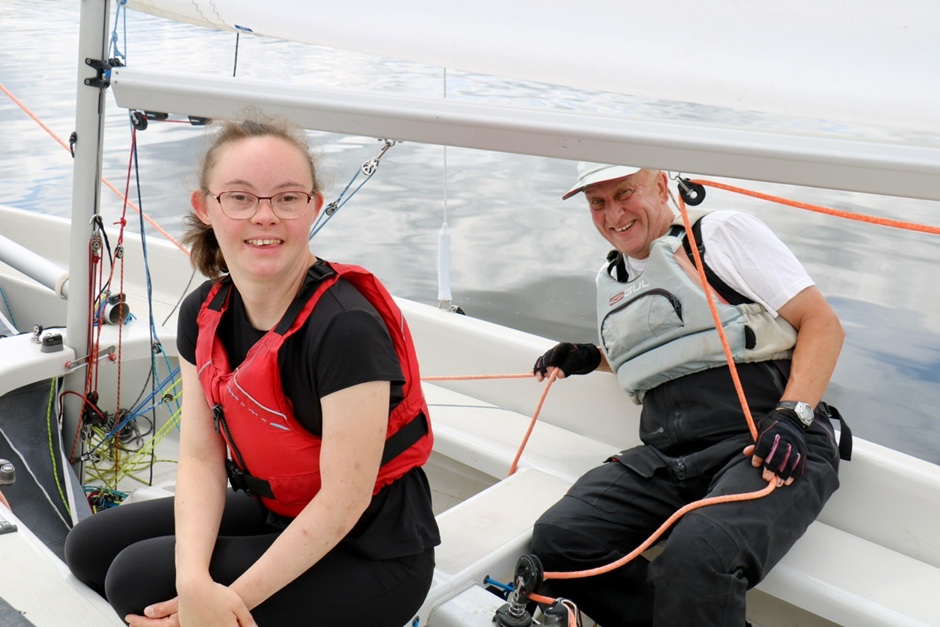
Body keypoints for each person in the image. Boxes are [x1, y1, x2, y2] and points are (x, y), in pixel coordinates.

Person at [65, 112, 440, 627]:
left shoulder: (346, 328)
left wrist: (219, 605)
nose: (265, 216)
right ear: (205, 207)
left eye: (287, 198)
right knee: (89, 546)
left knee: (134, 577)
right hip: (278, 509)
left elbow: (342, 502)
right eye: (239, 197)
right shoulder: (205, 312)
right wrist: (196, 584)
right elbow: (200, 457)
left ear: (313, 207)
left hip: (372, 552)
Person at [529, 163, 847, 627]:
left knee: (697, 557)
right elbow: (669, 350)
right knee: (559, 541)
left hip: (763, 438)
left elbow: (822, 323)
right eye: (597, 202)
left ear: (660, 185)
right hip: (668, 457)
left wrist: (793, 416)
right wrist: (590, 357)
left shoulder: (718, 235)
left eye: (624, 192)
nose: (613, 213)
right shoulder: (611, 278)